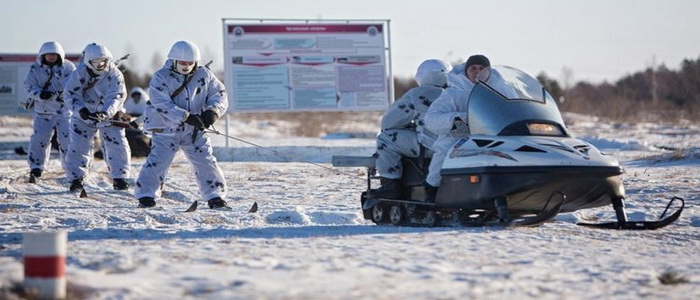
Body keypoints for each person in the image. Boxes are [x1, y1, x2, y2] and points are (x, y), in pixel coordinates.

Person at [134, 40, 228, 209]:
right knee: (158, 161)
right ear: (174, 60)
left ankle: (215, 196)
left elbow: (219, 94)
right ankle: (146, 195)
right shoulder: (161, 77)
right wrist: (185, 116)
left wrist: (213, 112)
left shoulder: (204, 75)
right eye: (183, 63)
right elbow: (161, 103)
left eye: (190, 63)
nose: (186, 66)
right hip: (166, 130)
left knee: (205, 161)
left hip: (195, 131)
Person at [371, 59, 452, 199]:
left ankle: (390, 187)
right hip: (459, 146)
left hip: (432, 147)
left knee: (386, 139)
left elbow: (388, 123)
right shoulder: (460, 92)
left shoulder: (419, 94)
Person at [63, 43, 130, 192]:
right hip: (84, 116)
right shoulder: (79, 74)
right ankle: (76, 179)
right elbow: (70, 94)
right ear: (88, 62)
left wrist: (106, 112)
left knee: (117, 145)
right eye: (96, 62)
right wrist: (81, 110)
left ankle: (120, 178)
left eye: (103, 61)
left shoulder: (115, 74)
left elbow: (116, 96)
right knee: (78, 146)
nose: (100, 65)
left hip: (109, 116)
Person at [423, 54, 491, 201]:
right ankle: (432, 191)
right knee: (445, 151)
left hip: (491, 137)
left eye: (482, 68)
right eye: (473, 68)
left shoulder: (499, 92)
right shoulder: (453, 93)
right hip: (457, 137)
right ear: (466, 71)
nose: (477, 71)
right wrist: (458, 119)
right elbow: (431, 119)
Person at [22, 41, 76, 183]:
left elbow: (75, 85)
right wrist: (40, 94)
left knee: (68, 141)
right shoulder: (36, 69)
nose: (51, 57)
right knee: (39, 140)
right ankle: (36, 167)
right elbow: (28, 86)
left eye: (54, 54)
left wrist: (64, 95)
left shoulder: (68, 68)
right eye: (48, 54)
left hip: (64, 112)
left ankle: (71, 167)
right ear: (42, 55)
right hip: (43, 112)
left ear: (60, 55)